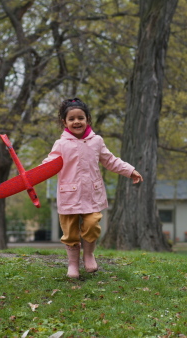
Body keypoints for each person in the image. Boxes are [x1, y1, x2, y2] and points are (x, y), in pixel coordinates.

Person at [42, 98, 143, 278]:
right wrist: (37, 174)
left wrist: (130, 170)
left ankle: (88, 255)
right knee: (70, 233)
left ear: (87, 119)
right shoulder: (61, 144)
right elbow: (49, 164)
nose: (76, 122)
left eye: (80, 117)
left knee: (91, 225)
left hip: (91, 195)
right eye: (71, 119)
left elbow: (110, 160)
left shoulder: (96, 141)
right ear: (64, 122)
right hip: (68, 195)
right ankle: (73, 264)